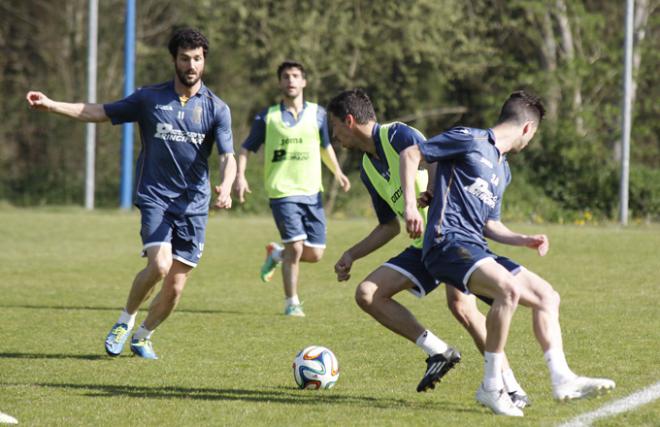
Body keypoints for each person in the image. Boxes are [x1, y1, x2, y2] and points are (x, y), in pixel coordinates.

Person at [400, 90, 615, 416]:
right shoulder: (469, 138)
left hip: (475, 245)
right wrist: (412, 205)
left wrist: (523, 238)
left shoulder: (503, 170)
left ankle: (562, 378)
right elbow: (412, 153)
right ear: (527, 129)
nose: (529, 142)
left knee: (547, 296)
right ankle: (491, 386)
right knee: (508, 289)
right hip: (445, 243)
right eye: (534, 135)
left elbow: (490, 225)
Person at [26, 28, 236, 360]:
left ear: (204, 60)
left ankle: (143, 336)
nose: (191, 65)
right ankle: (126, 320)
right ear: (174, 60)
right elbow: (99, 112)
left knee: (176, 287)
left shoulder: (216, 109)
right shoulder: (149, 98)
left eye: (197, 58)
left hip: (194, 205)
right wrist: (52, 105)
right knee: (160, 265)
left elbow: (228, 156)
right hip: (156, 197)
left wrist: (226, 184)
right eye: (185, 58)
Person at [327, 89, 529, 405]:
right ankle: (438, 351)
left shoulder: (397, 134)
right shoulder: (368, 168)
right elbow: (388, 226)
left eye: (334, 127)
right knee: (368, 293)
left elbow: (433, 159)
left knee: (463, 308)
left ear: (349, 121)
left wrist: (428, 194)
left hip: (452, 235)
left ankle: (511, 387)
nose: (333, 136)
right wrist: (352, 254)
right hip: (423, 246)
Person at [234, 60, 350, 317]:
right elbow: (245, 149)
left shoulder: (318, 114)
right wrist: (240, 176)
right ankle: (292, 302)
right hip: (283, 191)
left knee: (316, 253)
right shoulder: (267, 117)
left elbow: (325, 147)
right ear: (280, 82)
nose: (291, 80)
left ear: (304, 81)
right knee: (296, 248)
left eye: (296, 76)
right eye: (286, 76)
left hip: (312, 191)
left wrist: (338, 173)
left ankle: (277, 254)